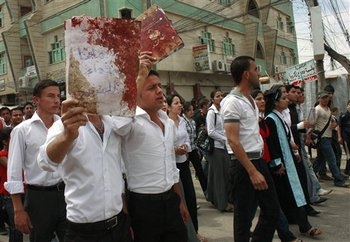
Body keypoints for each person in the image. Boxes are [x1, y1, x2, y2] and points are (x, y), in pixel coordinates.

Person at [121, 69, 189, 242]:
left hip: (171, 200)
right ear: (137, 93)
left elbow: (172, 167)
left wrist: (180, 201)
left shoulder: (167, 122)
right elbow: (119, 124)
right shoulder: (130, 123)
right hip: (143, 206)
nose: (159, 91)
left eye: (160, 86)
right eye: (151, 87)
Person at [221, 56, 279, 242]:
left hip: (258, 160)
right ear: (246, 74)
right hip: (243, 165)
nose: (258, 73)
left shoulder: (250, 100)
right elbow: (233, 140)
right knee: (243, 219)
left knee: (272, 210)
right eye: (256, 69)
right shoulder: (232, 102)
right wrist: (252, 172)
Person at [5, 80, 66, 242]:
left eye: (58, 96)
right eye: (50, 96)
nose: (56, 100)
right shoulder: (22, 130)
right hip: (39, 198)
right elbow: (14, 171)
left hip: (67, 194)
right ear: (36, 100)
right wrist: (18, 209)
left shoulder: (65, 126)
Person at [264, 85, 322, 238]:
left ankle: (304, 226)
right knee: (284, 198)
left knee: (296, 194)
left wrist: (295, 151)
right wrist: (277, 163)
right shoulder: (271, 119)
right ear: (275, 102)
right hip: (281, 164)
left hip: (288, 161)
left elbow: (288, 138)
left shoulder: (280, 117)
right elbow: (273, 143)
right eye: (283, 98)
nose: (286, 100)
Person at [252, 88, 302, 242]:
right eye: (258, 99)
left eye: (262, 98)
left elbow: (272, 143)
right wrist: (275, 164)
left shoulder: (262, 119)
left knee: (270, 206)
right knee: (257, 209)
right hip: (257, 166)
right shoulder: (258, 121)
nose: (262, 101)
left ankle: (285, 235)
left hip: (265, 165)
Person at [307, 91, 349, 188]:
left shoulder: (328, 109)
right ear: (319, 99)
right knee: (332, 158)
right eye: (323, 97)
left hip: (328, 137)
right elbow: (310, 123)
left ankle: (310, 175)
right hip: (322, 138)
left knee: (320, 159)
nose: (326, 99)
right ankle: (338, 179)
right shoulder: (316, 109)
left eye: (327, 97)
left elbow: (329, 121)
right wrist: (308, 137)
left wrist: (333, 124)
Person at [206, 89, 233, 212]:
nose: (220, 98)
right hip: (216, 147)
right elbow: (210, 131)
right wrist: (224, 139)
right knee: (219, 177)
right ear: (212, 99)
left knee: (224, 174)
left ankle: (213, 197)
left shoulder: (222, 110)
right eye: (217, 96)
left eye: (222, 95)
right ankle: (222, 204)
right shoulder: (212, 112)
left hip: (224, 147)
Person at [0, 127, 23, 242]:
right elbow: (13, 168)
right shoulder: (2, 155)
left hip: (23, 191)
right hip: (9, 194)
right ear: (5, 141)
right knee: (15, 226)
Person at [182, 101, 207, 194]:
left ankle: (206, 191)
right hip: (186, 151)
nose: (192, 112)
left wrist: (197, 148)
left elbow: (194, 136)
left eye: (192, 110)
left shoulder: (192, 121)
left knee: (200, 170)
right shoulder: (182, 121)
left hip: (193, 149)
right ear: (185, 111)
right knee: (187, 174)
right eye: (190, 110)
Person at [339, 100, 350, 175]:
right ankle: (348, 171)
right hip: (346, 137)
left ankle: (347, 170)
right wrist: (340, 137)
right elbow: (339, 126)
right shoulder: (343, 115)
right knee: (348, 154)